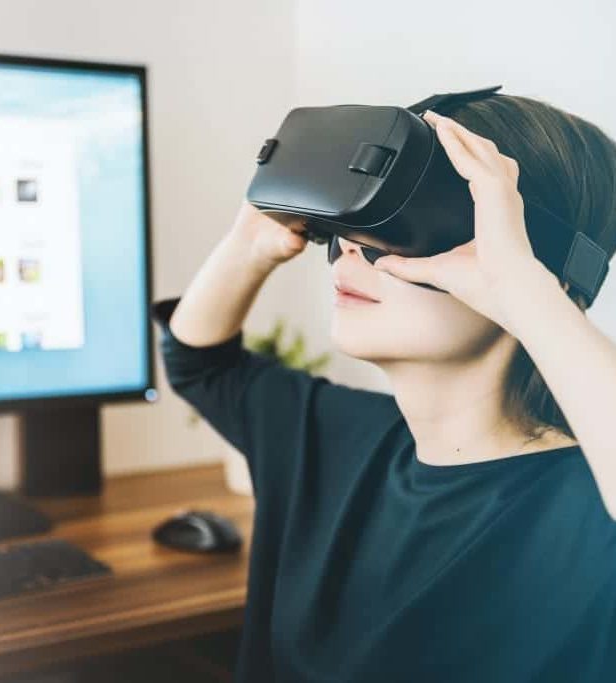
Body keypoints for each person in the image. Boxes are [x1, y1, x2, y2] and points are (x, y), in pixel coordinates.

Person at [151, 94, 616, 682]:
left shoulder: (588, 515)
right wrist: (250, 242)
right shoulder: (332, 439)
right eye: (356, 223)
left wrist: (527, 292)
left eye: (404, 223)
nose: (353, 245)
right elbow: (200, 364)